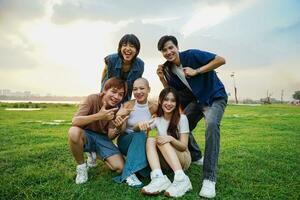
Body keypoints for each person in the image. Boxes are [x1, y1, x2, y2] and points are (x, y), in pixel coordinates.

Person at [156, 35, 227, 198]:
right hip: (197, 100)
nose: (168, 52)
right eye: (164, 50)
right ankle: (196, 156)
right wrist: (162, 78)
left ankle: (209, 179)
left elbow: (221, 60)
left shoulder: (192, 55)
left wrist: (197, 71)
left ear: (176, 47)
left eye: (170, 47)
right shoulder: (168, 69)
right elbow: (171, 93)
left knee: (211, 125)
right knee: (181, 123)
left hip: (214, 97)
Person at [68, 77, 128, 184]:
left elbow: (110, 136)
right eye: (114, 92)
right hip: (86, 135)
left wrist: (118, 128)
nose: (116, 97)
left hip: (103, 139)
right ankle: (82, 167)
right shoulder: (92, 98)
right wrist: (99, 116)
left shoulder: (116, 109)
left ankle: (95, 153)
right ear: (105, 90)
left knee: (120, 168)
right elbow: (75, 121)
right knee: (73, 132)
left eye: (120, 94)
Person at [141, 87, 192, 198]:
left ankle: (181, 179)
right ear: (160, 101)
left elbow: (183, 147)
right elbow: (140, 128)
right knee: (150, 140)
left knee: (161, 139)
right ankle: (158, 177)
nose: (169, 103)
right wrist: (141, 126)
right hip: (167, 160)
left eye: (173, 100)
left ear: (177, 103)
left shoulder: (182, 119)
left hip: (183, 158)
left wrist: (171, 139)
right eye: (166, 99)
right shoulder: (157, 119)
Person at [113, 78, 157, 188]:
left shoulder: (153, 107)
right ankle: (129, 174)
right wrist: (119, 117)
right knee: (140, 133)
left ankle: (140, 169)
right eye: (135, 89)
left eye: (142, 88)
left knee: (145, 173)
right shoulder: (128, 105)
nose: (138, 92)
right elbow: (122, 130)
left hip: (142, 143)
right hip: (125, 140)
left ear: (148, 89)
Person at [101, 34, 144, 103]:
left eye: (132, 46)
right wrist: (102, 89)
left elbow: (137, 83)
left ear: (137, 50)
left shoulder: (140, 65)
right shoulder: (111, 59)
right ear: (120, 48)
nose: (128, 48)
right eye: (124, 45)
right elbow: (104, 72)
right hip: (107, 95)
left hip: (125, 98)